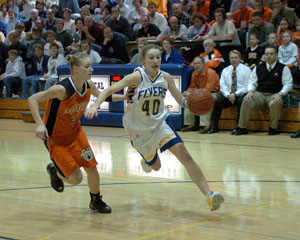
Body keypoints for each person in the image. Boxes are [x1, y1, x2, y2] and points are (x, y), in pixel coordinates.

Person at [85, 44, 224, 212]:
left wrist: (194, 102)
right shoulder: (136, 77)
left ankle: (209, 195)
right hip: (138, 130)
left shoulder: (166, 77)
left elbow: (181, 101)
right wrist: (95, 106)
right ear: (143, 60)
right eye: (151, 57)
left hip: (159, 123)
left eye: (158, 57)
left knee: (184, 153)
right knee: (156, 166)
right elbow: (109, 90)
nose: (155, 60)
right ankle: (147, 160)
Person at [27, 52, 124, 213]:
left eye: (91, 66)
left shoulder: (88, 85)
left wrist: (125, 97)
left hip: (75, 133)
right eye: (87, 67)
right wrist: (39, 124)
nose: (91, 70)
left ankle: (96, 200)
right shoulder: (61, 89)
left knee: (92, 168)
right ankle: (55, 172)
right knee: (76, 179)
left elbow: (103, 97)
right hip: (55, 139)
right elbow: (33, 99)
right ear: (75, 69)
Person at [235, 46, 293, 135]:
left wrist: (281, 94)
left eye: (271, 54)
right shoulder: (258, 67)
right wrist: (250, 91)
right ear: (264, 56)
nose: (269, 56)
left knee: (276, 102)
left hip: (275, 94)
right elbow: (252, 82)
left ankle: (273, 128)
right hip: (260, 94)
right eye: (267, 54)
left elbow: (288, 84)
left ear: (276, 55)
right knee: (246, 99)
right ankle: (241, 127)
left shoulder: (283, 68)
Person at [208, 50, 251, 134]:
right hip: (228, 95)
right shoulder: (225, 70)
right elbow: (222, 85)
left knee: (241, 101)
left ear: (240, 59)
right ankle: (214, 126)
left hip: (240, 94)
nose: (233, 59)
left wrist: (235, 94)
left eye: (235, 57)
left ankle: (239, 127)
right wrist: (228, 95)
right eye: (231, 58)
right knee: (218, 101)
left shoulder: (246, 70)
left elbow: (247, 86)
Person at [181, 56, 220, 133]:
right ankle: (190, 124)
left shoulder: (211, 73)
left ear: (204, 64)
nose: (197, 65)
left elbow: (207, 90)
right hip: (200, 93)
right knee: (187, 100)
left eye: (199, 63)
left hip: (213, 93)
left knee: (204, 100)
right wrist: (187, 93)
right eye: (195, 63)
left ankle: (205, 125)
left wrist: (193, 94)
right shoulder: (194, 74)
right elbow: (192, 86)